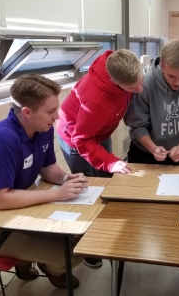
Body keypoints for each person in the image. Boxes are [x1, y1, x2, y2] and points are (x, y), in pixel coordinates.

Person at [57, 49, 143, 268]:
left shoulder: (122, 68)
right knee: (87, 190)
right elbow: (82, 140)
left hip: (99, 133)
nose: (139, 89)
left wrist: (109, 163)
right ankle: (87, 243)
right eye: (133, 88)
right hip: (77, 139)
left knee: (108, 182)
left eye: (140, 81)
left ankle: (111, 231)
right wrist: (111, 161)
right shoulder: (94, 99)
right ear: (115, 82)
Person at [0, 74, 86, 289]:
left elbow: (47, 168)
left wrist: (67, 179)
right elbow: (1, 199)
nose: (57, 116)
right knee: (73, 255)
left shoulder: (43, 128)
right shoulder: (4, 139)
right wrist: (55, 194)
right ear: (27, 112)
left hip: (23, 206)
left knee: (80, 234)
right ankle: (42, 264)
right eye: (50, 111)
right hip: (3, 223)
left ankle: (28, 258)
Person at [124, 39, 179, 165]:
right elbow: (137, 125)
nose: (178, 82)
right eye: (172, 76)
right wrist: (153, 148)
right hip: (143, 153)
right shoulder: (145, 84)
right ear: (162, 66)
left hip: (178, 153)